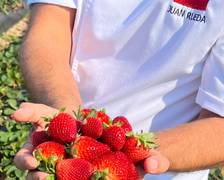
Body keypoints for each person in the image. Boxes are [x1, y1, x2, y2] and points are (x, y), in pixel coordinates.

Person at [12, 0, 224, 179]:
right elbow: (48, 30)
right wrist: (66, 116)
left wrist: (136, 152)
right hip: (71, 139)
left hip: (160, 167)